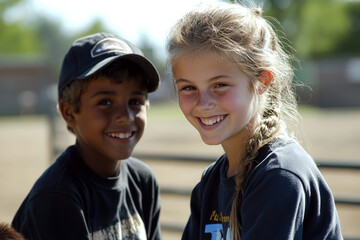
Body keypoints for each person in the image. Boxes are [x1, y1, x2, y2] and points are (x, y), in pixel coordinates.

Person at [167, 2, 343, 240]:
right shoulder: (211, 182)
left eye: (220, 85)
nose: (203, 102)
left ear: (262, 82)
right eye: (188, 87)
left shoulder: (280, 176)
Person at [12, 32, 162, 240]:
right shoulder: (57, 197)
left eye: (135, 101)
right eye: (105, 102)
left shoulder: (142, 181)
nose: (124, 116)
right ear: (69, 112)